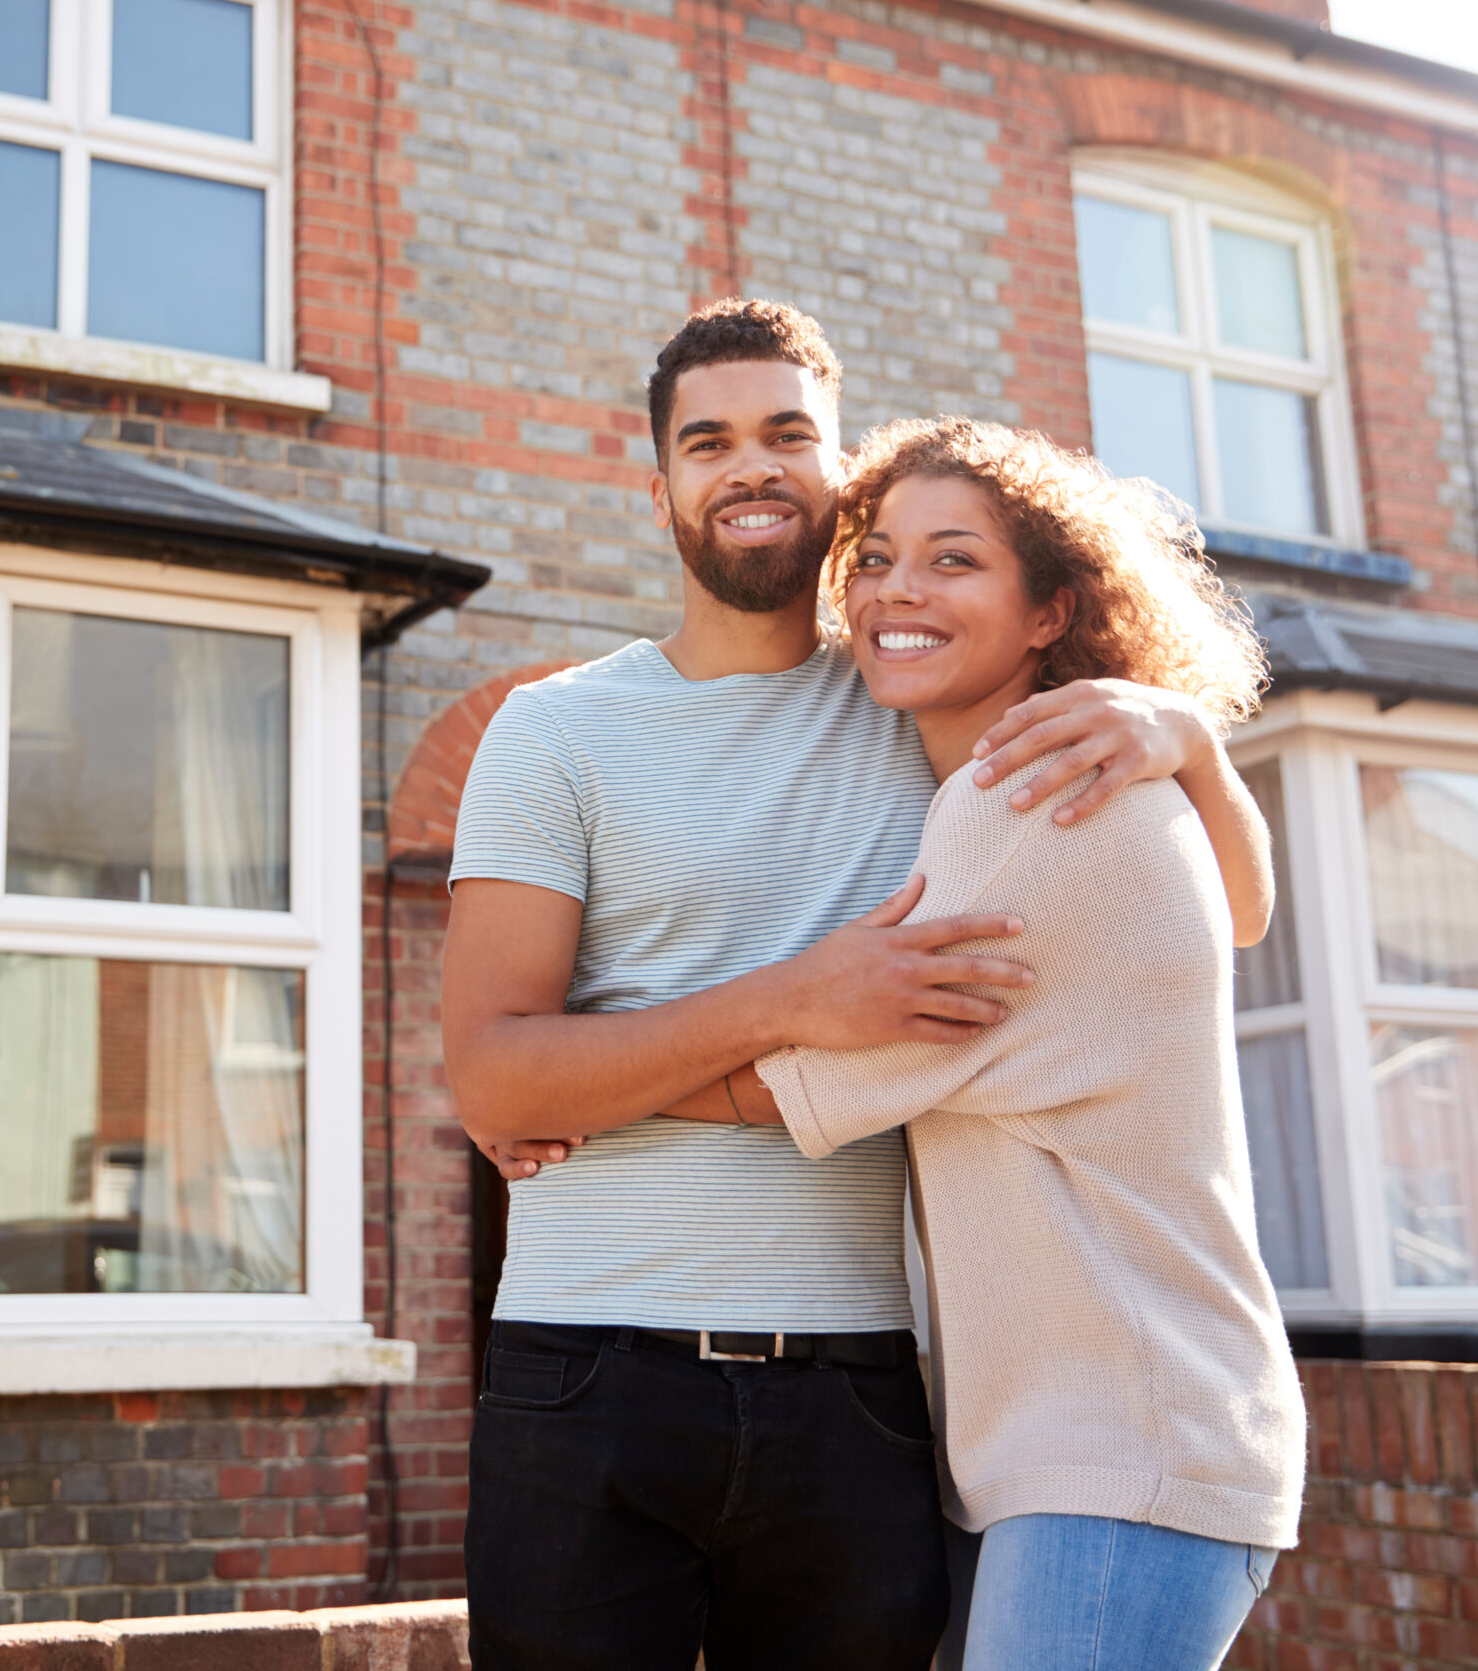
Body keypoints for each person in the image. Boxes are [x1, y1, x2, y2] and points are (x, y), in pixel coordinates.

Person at [442, 299, 1276, 1671]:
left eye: (788, 433)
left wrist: (1189, 735)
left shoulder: (935, 712)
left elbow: (1226, 918)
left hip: (864, 1387)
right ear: (661, 491)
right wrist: (793, 998)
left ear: (839, 482)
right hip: (585, 1363)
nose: (750, 464)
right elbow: (493, 1076)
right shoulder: (554, 730)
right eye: (708, 442)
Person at [670, 415, 1305, 1670]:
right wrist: (1191, 743)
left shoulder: (1023, 802)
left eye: (953, 561)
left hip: (1125, 1447)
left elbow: (785, 1090)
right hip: (1072, 1448)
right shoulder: (1074, 776)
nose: (899, 589)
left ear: (1049, 611)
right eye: (878, 557)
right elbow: (1243, 916)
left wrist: (557, 1084)